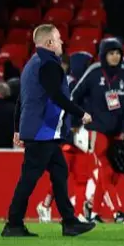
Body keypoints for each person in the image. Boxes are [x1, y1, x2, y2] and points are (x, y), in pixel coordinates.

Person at [2, 24, 95, 237]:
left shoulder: (32, 64)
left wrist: (17, 128)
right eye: (59, 39)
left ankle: (69, 222)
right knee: (29, 178)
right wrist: (81, 113)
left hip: (39, 131)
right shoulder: (49, 64)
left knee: (59, 173)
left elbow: (22, 99)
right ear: (49, 43)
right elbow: (56, 96)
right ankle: (13, 224)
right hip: (42, 131)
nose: (62, 42)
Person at [71, 38, 124, 223]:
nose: (115, 56)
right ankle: (118, 213)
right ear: (103, 55)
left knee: (108, 173)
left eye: (118, 53)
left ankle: (94, 212)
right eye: (111, 53)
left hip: (118, 130)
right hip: (96, 128)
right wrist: (78, 119)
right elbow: (74, 95)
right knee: (106, 169)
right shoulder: (93, 71)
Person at [37, 51, 94, 223]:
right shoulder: (65, 84)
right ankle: (46, 205)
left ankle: (78, 213)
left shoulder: (84, 84)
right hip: (67, 136)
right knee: (62, 175)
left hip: (82, 136)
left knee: (81, 176)